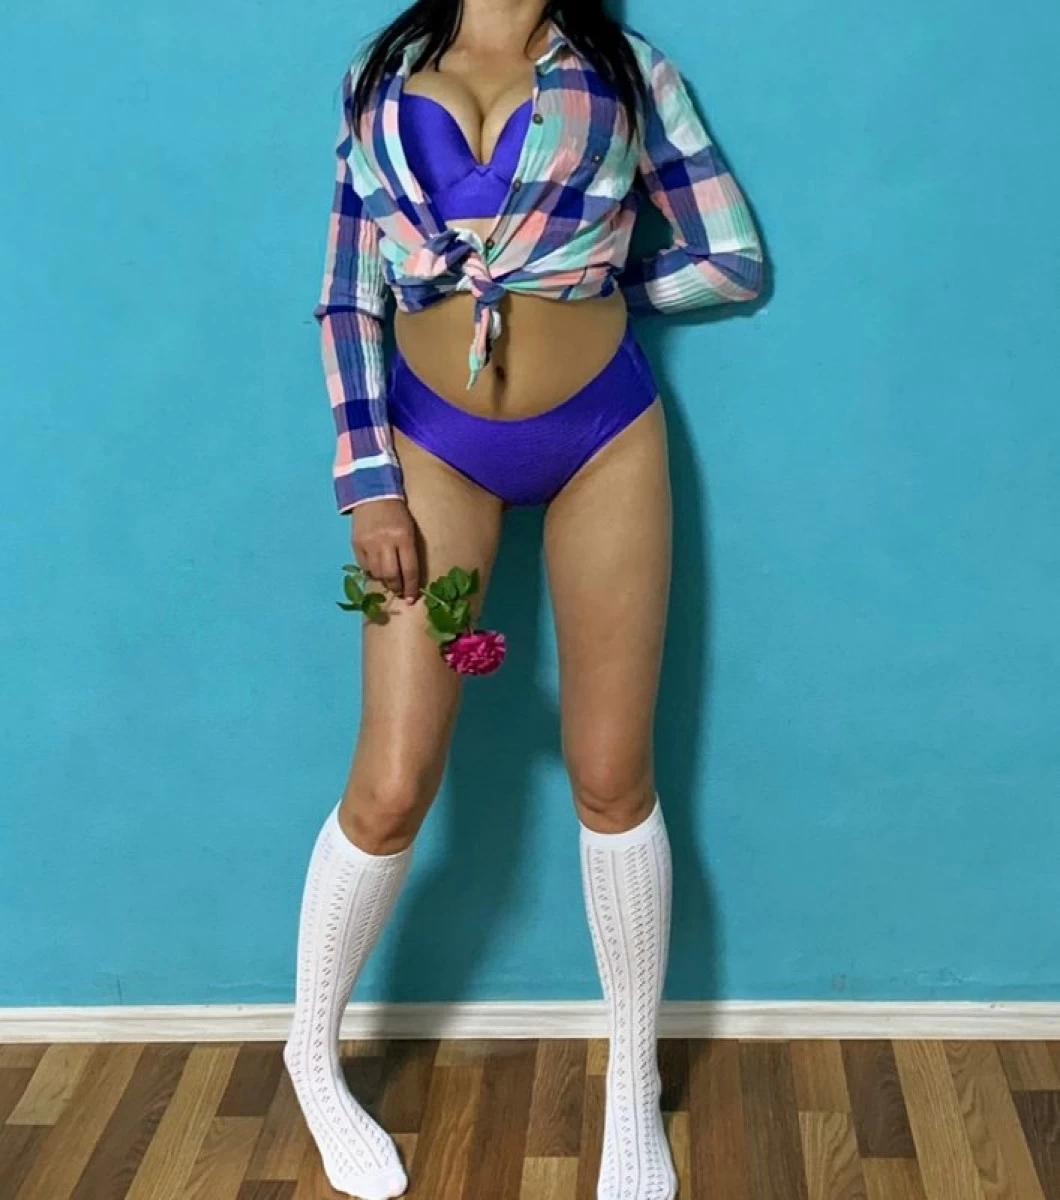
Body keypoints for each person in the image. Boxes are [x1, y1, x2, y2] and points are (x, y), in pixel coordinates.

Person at [283, 1, 763, 1196]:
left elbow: (728, 255)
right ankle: (309, 1055)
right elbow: (347, 296)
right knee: (393, 784)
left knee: (612, 774)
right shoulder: (378, 75)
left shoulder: (625, 70)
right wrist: (367, 483)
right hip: (428, 448)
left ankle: (630, 1090)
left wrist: (590, 283)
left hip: (604, 432)